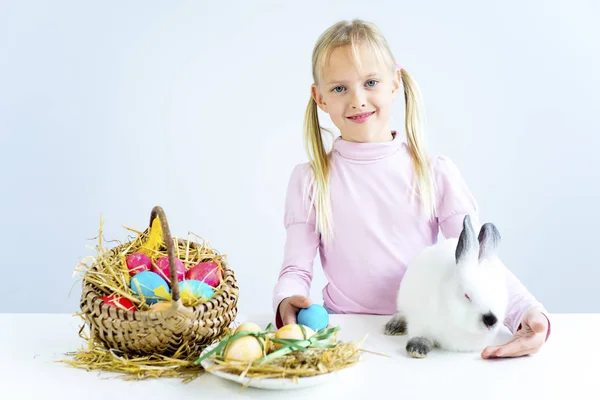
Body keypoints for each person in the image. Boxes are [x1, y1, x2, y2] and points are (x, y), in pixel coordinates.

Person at [271, 19, 550, 359]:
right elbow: (296, 270)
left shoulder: (435, 172)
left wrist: (527, 312)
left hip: (424, 335)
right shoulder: (310, 180)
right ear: (320, 98)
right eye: (340, 88)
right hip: (344, 334)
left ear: (394, 83)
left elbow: (477, 266)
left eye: (370, 82)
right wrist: (287, 302)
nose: (358, 100)